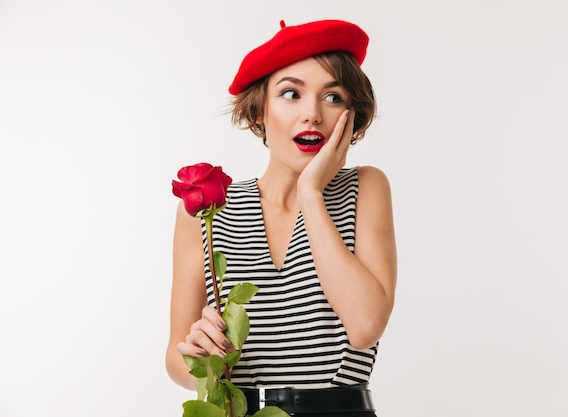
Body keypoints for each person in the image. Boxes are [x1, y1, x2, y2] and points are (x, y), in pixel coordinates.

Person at [166, 19, 397, 417]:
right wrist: (201, 356)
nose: (312, 114)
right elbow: (175, 356)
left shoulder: (366, 188)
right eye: (291, 94)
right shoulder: (209, 209)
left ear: (350, 115)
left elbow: (364, 327)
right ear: (259, 113)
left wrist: (311, 193)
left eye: (333, 97)